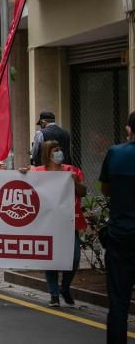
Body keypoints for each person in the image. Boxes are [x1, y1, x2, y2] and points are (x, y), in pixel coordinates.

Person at [20, 140, 86, 306]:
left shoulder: (71, 170)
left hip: (68, 223)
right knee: (50, 259)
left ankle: (65, 287)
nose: (59, 152)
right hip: (46, 223)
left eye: (60, 149)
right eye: (55, 150)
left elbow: (83, 192)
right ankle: (54, 295)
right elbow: (25, 184)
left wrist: (75, 182)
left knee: (74, 258)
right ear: (47, 153)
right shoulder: (38, 171)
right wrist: (23, 173)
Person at [99, 111, 135, 344]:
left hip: (120, 236)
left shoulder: (115, 153)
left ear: (128, 129)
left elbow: (105, 189)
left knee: (118, 301)